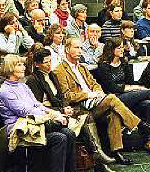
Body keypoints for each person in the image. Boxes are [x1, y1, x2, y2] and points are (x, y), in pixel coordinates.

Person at [53, 35, 144, 164]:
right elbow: (67, 95)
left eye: (80, 48)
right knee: (112, 98)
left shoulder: (82, 67)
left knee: (114, 113)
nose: (80, 51)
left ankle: (116, 151)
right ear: (67, 49)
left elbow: (95, 84)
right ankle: (140, 125)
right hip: (80, 108)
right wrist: (88, 95)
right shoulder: (60, 70)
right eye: (76, 48)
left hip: (95, 102)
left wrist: (98, 93)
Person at [0, 55, 77, 172]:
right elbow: (24, 111)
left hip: (35, 123)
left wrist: (53, 113)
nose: (23, 67)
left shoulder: (23, 85)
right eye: (19, 65)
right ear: (10, 68)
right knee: (59, 137)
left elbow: (36, 104)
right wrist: (54, 116)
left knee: (68, 133)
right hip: (20, 129)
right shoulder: (5, 91)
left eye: (23, 64)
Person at [28, 46, 116, 172]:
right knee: (86, 116)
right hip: (49, 113)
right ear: (37, 64)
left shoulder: (51, 75)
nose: (49, 65)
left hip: (61, 109)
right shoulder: (33, 80)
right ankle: (97, 157)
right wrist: (62, 109)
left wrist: (65, 107)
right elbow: (38, 105)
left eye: (50, 61)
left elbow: (61, 95)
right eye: (45, 62)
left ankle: (98, 160)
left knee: (88, 115)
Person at [94, 39, 150, 153]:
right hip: (114, 98)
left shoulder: (124, 62)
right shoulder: (103, 66)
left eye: (122, 47)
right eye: (119, 48)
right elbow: (111, 88)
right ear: (111, 50)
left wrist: (135, 87)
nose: (122, 49)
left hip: (127, 94)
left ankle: (149, 141)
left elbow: (131, 81)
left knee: (148, 104)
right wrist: (133, 88)